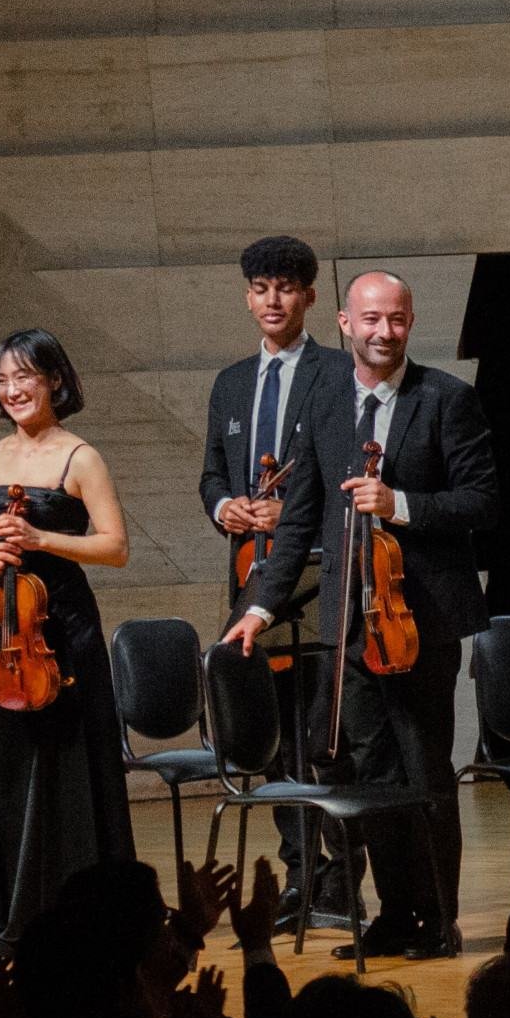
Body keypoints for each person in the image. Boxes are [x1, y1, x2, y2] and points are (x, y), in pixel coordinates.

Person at [224, 271, 499, 961]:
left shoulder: (446, 399)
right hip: (347, 626)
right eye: (371, 320)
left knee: (424, 772)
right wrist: (260, 605)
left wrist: (400, 504)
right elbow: (298, 524)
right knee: (367, 775)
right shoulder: (322, 402)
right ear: (345, 323)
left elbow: (483, 502)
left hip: (420, 623)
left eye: (396, 320)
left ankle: (437, 918)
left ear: (410, 322)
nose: (384, 332)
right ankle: (393, 913)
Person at [0, 330, 136, 945]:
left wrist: (39, 539)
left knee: (67, 767)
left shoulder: (81, 458)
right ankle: (13, 905)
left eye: (24, 376)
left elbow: (115, 547)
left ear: (54, 379)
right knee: (12, 766)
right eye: (2, 380)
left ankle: (76, 909)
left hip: (65, 632)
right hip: (9, 636)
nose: (13, 389)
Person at [198, 234, 354, 923]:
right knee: (274, 737)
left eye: (285, 287)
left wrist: (292, 511)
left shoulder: (338, 372)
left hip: (318, 575)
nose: (272, 299)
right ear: (246, 295)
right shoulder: (230, 381)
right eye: (260, 287)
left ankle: (344, 878)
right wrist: (222, 505)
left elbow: (350, 476)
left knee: (327, 732)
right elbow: (209, 471)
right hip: (248, 579)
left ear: (309, 297)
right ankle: (301, 872)